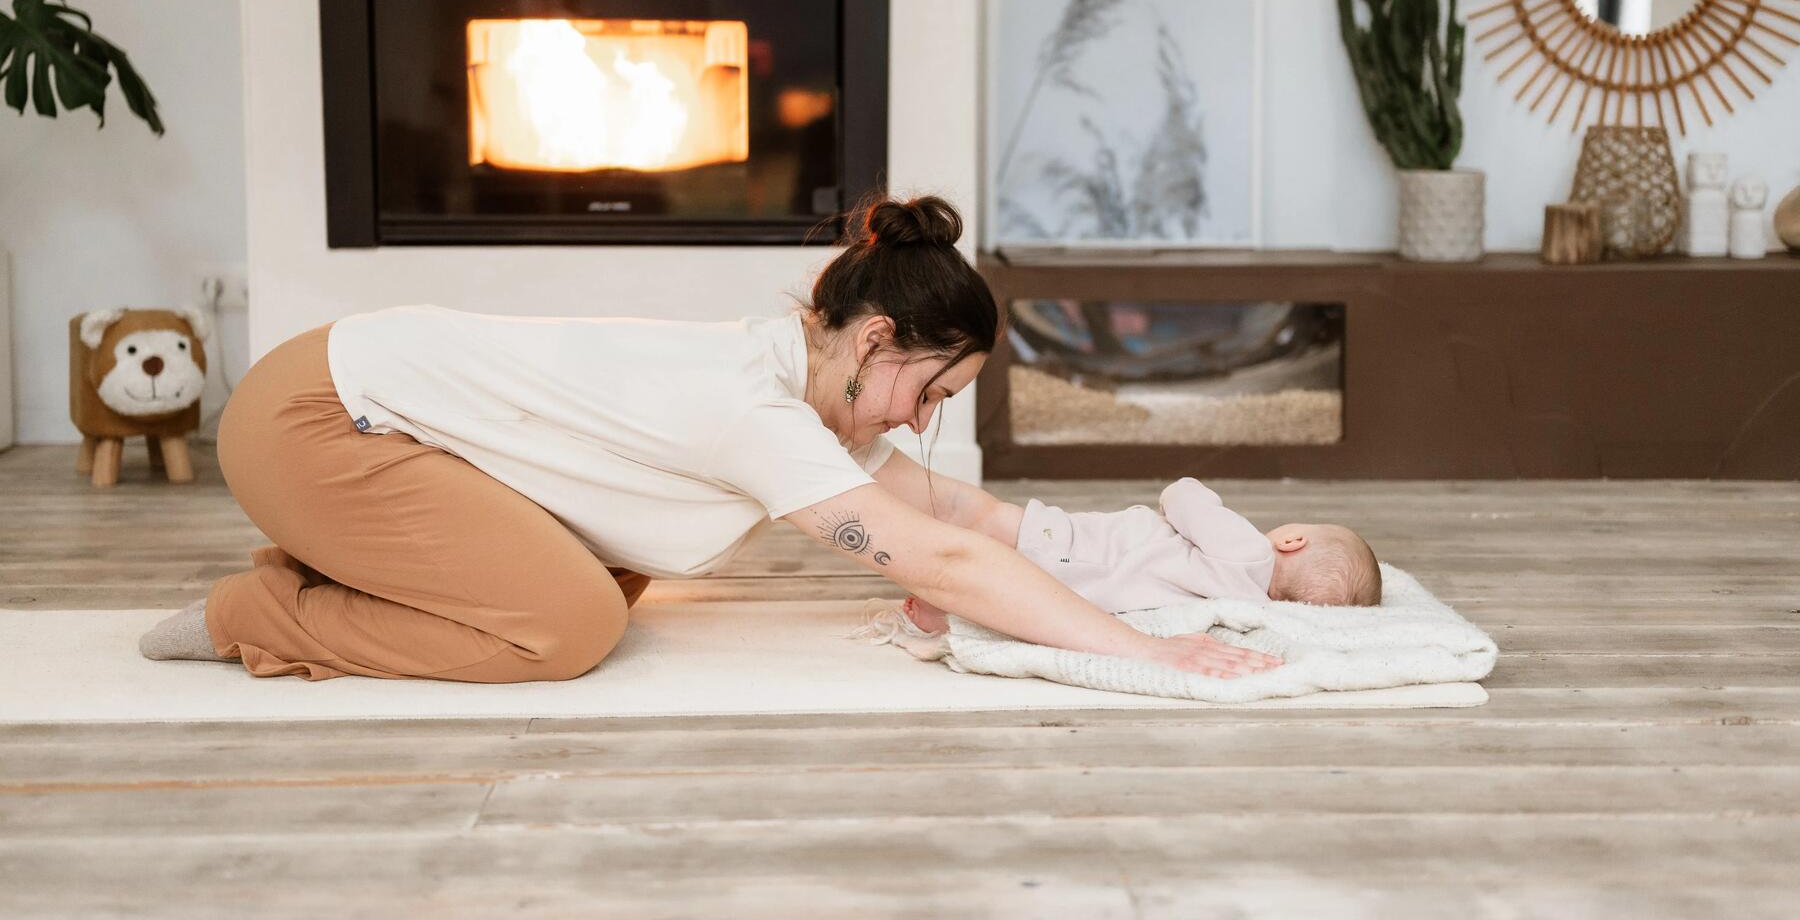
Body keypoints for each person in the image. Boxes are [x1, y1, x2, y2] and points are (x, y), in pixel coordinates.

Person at [138, 191, 1281, 684]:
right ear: (877, 340)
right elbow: (939, 560)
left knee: (618, 569)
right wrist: (1144, 660)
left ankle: (339, 563)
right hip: (316, 420)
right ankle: (264, 613)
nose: (924, 424)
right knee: (571, 620)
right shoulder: (758, 413)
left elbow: (970, 520)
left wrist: (1151, 565)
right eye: (930, 392)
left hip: (378, 415)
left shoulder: (793, 375)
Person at [902, 477, 1382, 634]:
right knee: (1000, 589)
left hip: (1074, 545)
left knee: (987, 519)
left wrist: (1178, 495)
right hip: (1082, 592)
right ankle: (944, 612)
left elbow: (1184, 497)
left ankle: (904, 533)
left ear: (1292, 542)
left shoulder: (1251, 550)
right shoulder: (1248, 606)